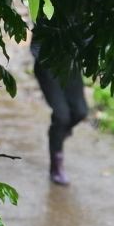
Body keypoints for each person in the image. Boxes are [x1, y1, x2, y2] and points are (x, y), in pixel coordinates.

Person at [31, 33, 88, 186]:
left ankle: (58, 133)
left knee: (81, 112)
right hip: (47, 65)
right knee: (62, 117)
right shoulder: (49, 10)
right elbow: (37, 41)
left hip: (70, 64)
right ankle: (56, 166)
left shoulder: (85, 10)